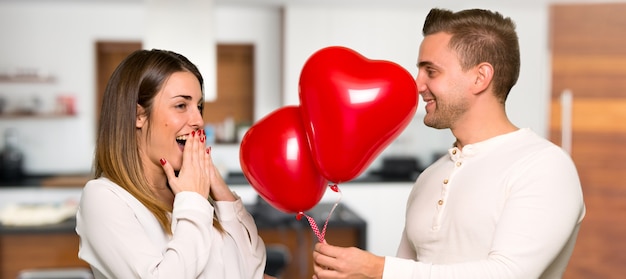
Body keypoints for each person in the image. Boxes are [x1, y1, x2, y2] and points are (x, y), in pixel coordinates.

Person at [312, 8, 585, 279]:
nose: (417, 85)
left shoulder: (544, 166)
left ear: (480, 77)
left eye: (431, 71)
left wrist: (378, 269)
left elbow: (508, 273)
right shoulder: (430, 177)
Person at [76, 49, 273, 279]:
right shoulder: (104, 197)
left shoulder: (194, 195)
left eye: (198, 106)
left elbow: (251, 272)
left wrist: (221, 193)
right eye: (181, 106)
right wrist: (194, 201)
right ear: (138, 115)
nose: (198, 120)